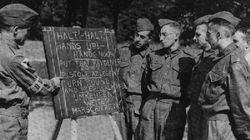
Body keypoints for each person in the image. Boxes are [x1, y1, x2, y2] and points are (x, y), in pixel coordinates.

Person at [0, 3, 62, 140]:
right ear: (15, 30)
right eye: (26, 30)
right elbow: (39, 88)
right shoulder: (14, 57)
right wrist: (53, 83)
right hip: (11, 123)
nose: (27, 34)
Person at [136, 19, 195, 140]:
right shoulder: (153, 56)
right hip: (150, 106)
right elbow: (144, 83)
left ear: (176, 36)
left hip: (173, 110)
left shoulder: (188, 60)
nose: (161, 38)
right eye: (160, 34)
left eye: (165, 34)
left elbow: (190, 90)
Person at [198, 11, 250, 140]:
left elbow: (241, 103)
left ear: (218, 35)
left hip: (222, 126)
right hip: (211, 122)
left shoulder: (234, 60)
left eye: (208, 34)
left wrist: (245, 134)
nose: (206, 38)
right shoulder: (221, 59)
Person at [118, 18, 154, 140]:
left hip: (139, 104)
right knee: (120, 137)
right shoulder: (124, 51)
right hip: (121, 102)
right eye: (136, 35)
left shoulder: (153, 56)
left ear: (150, 39)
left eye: (143, 37)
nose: (138, 39)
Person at [187, 14, 218, 140]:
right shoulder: (199, 58)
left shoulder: (218, 59)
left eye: (198, 35)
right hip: (195, 112)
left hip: (208, 115)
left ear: (209, 34)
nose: (194, 38)